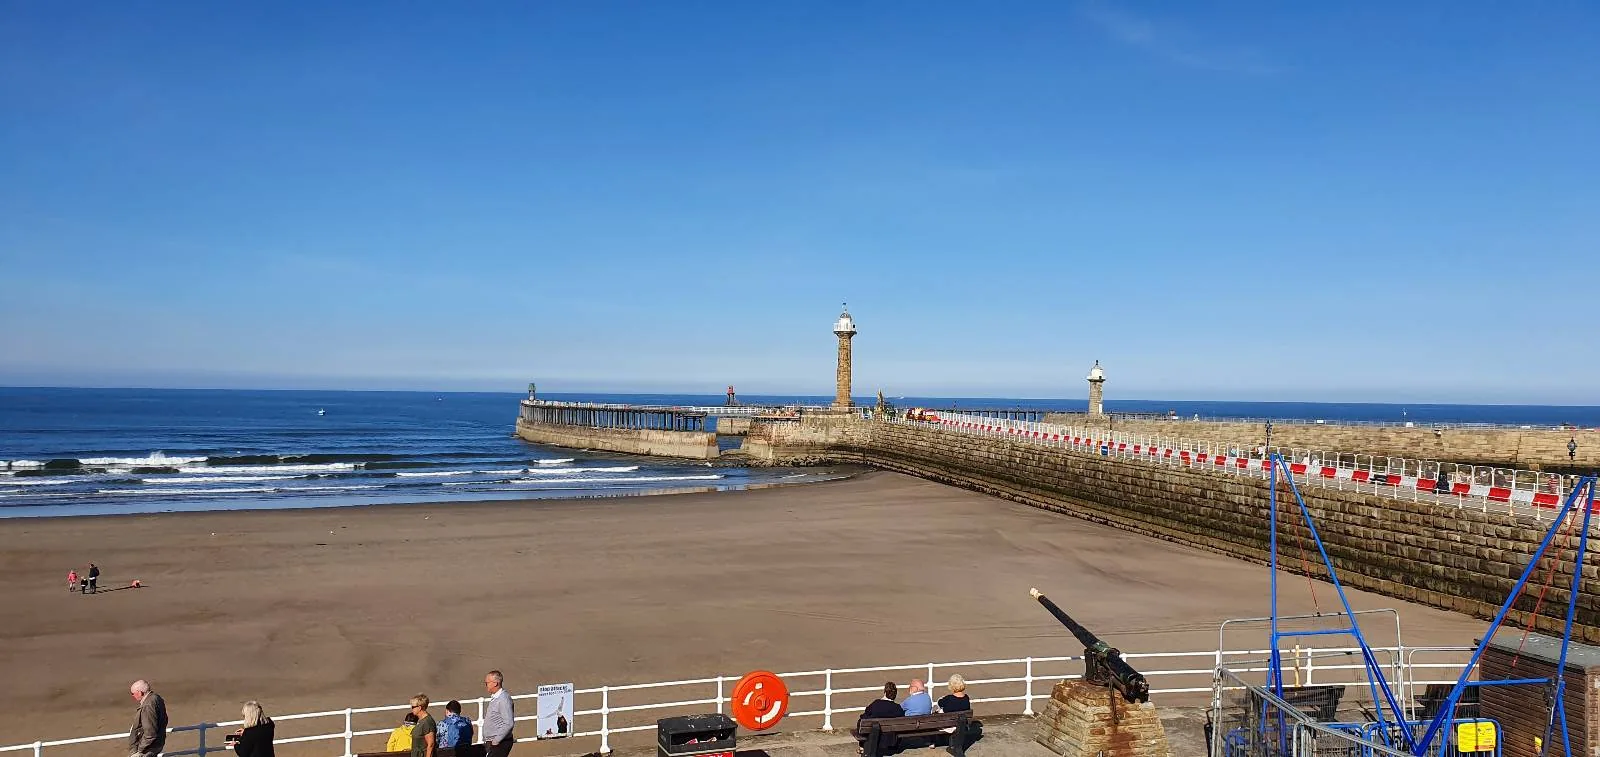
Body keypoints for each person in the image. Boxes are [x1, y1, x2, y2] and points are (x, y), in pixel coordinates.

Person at [856, 682, 904, 754]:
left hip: (875, 736)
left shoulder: (876, 704)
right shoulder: (897, 708)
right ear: (895, 695)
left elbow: (866, 713)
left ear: (885, 693)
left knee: (862, 721)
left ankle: (862, 746)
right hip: (890, 739)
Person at [128, 680, 168, 757]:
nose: (133, 696)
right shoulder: (156, 698)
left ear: (140, 693)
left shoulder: (148, 705)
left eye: (133, 694)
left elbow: (150, 732)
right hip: (155, 744)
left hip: (147, 749)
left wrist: (140, 750)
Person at [483, 670, 516, 757]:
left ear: (495, 683)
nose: (486, 684)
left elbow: (509, 723)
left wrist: (496, 740)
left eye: (487, 682)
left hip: (500, 742)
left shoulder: (503, 699)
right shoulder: (496, 697)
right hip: (494, 742)